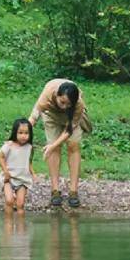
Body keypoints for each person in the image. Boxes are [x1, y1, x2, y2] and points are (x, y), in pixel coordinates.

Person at [29, 78, 91, 209]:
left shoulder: (78, 103)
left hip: (71, 119)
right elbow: (35, 115)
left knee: (73, 145)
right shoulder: (48, 93)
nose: (64, 106)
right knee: (54, 149)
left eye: (68, 104)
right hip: (51, 115)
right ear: (57, 95)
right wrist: (24, 131)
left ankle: (73, 191)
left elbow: (69, 130)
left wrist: (53, 145)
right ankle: (55, 190)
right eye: (62, 102)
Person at [0, 117, 35, 213]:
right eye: (20, 133)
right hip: (9, 178)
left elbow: (28, 162)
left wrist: (33, 174)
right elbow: (0, 157)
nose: (23, 136)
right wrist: (5, 171)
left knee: (20, 204)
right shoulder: (9, 145)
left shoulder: (29, 148)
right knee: (9, 200)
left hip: (22, 179)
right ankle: (8, 226)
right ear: (15, 133)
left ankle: (21, 226)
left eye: (26, 133)